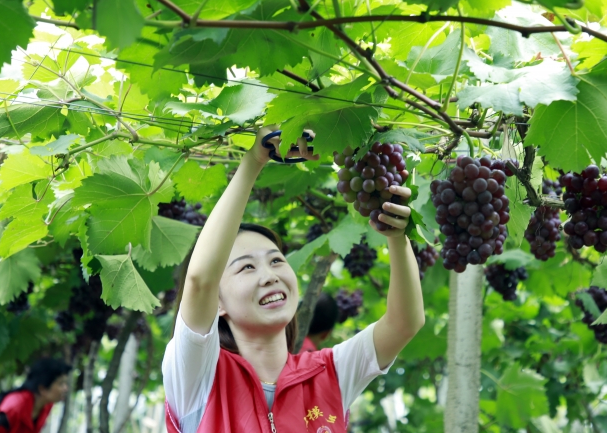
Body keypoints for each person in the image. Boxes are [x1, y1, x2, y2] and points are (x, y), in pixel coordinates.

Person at [163, 127, 425, 433]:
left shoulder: (330, 374)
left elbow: (404, 323)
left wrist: (397, 236)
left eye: (276, 261)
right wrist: (254, 159)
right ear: (217, 301)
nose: (269, 276)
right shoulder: (198, 375)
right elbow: (199, 279)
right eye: (246, 268)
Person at [0, 358, 70, 433]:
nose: (66, 388)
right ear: (42, 389)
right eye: (61, 384)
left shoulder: (46, 405)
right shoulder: (15, 405)